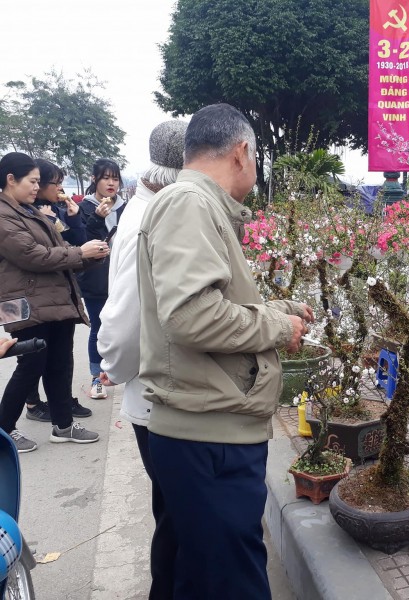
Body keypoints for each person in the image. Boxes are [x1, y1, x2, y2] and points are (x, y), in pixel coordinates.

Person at [137, 103, 312, 599]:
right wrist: (278, 326)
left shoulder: (196, 205)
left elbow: (213, 301)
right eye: (255, 158)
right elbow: (191, 315)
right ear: (242, 153)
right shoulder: (189, 204)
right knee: (232, 581)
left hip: (209, 430)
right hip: (209, 436)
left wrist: (280, 308)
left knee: (205, 574)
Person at [97, 119, 188, 599]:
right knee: (175, 516)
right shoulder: (151, 219)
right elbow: (123, 320)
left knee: (169, 510)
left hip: (152, 391)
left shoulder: (146, 206)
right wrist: (118, 366)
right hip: (154, 393)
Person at [0, 152, 104, 452]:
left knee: (60, 364)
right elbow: (32, 255)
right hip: (23, 304)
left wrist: (90, 255)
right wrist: (79, 254)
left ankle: (63, 425)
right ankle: (4, 429)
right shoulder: (5, 216)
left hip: (53, 301)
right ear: (11, 179)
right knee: (30, 365)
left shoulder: (29, 211)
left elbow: (60, 251)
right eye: (33, 181)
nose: (37, 187)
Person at [23, 159, 92, 422]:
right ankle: (32, 404)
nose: (60, 188)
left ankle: (62, 403)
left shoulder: (57, 210)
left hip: (60, 292)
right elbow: (40, 254)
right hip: (31, 296)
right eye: (56, 182)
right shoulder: (23, 213)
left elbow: (77, 243)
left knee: (61, 355)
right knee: (32, 356)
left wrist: (74, 219)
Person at [77, 158, 126, 400]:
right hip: (96, 279)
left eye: (115, 178)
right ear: (94, 179)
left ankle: (118, 371)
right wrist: (97, 218)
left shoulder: (126, 208)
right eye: (106, 178)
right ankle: (96, 377)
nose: (111, 183)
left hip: (122, 276)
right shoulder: (84, 208)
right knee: (98, 327)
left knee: (123, 325)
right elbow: (84, 243)